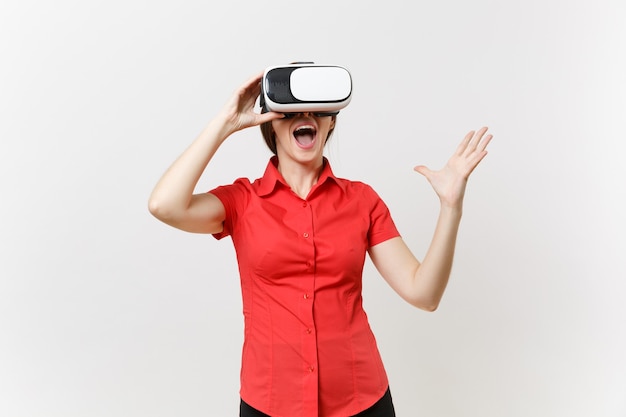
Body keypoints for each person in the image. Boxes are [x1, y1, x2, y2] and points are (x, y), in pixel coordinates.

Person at [148, 69, 493, 417]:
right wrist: (224, 123)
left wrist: (451, 207)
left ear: (331, 123)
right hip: (269, 403)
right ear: (271, 123)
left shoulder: (362, 201)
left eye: (318, 109)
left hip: (361, 402)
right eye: (292, 109)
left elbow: (424, 294)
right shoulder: (242, 201)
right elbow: (164, 205)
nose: (306, 116)